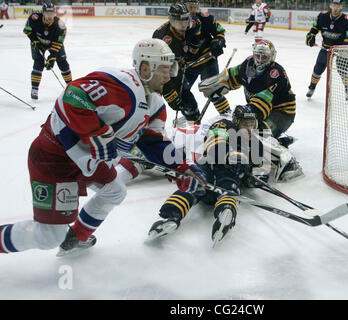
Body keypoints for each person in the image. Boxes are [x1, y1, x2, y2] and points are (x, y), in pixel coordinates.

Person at [0, 38, 205, 256]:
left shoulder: (155, 105)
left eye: (171, 69)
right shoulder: (121, 85)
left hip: (84, 161)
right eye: (164, 69)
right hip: (55, 158)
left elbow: (153, 143)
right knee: (48, 236)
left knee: (115, 190)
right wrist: (97, 134)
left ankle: (76, 237)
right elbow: (73, 96)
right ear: (146, 68)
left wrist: (182, 170)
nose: (169, 76)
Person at [147, 105, 265, 245]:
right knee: (192, 186)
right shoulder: (224, 125)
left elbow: (257, 169)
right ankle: (170, 217)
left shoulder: (256, 144)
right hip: (209, 166)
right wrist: (230, 155)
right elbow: (214, 144)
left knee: (231, 190)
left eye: (252, 124)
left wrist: (253, 178)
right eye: (246, 124)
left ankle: (225, 215)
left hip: (229, 175)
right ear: (236, 121)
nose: (249, 128)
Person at [198, 39, 302, 181]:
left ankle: (288, 162)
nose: (259, 60)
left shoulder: (275, 73)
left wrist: (241, 117)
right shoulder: (248, 64)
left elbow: (261, 106)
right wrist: (215, 83)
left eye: (264, 57)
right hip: (257, 107)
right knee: (241, 126)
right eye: (257, 56)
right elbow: (232, 76)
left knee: (258, 132)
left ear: (272, 57)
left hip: (281, 113)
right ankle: (279, 141)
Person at [152, 2, 204, 122]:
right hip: (163, 69)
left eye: (186, 20)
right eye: (179, 21)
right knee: (163, 98)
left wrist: (195, 44)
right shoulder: (162, 38)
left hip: (178, 64)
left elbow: (198, 25)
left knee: (185, 92)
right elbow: (160, 73)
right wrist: (172, 98)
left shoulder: (192, 24)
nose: (184, 24)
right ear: (171, 20)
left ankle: (194, 119)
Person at [182, 0, 231, 118]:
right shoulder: (179, 22)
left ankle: (227, 114)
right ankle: (192, 115)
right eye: (190, 6)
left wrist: (218, 42)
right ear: (184, 6)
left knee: (213, 90)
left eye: (195, 6)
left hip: (207, 61)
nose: (193, 9)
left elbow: (220, 32)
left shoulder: (206, 18)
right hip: (189, 65)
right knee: (181, 91)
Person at [305, 0, 348, 101]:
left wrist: (343, 48)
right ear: (331, 5)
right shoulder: (322, 16)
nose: (336, 8)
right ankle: (312, 87)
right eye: (334, 5)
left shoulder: (347, 20)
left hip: (340, 49)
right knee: (318, 68)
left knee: (343, 69)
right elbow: (314, 28)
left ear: (341, 6)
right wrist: (311, 35)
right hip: (326, 47)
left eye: (338, 6)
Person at [23, 1, 72, 100]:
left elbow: (58, 43)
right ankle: (34, 89)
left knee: (62, 62)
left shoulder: (60, 25)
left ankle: (70, 86)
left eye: (52, 14)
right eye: (47, 14)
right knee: (38, 63)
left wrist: (52, 56)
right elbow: (27, 30)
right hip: (38, 42)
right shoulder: (34, 18)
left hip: (53, 43)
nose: (49, 16)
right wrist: (34, 41)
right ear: (43, 13)